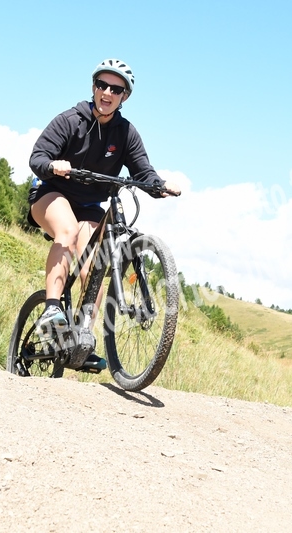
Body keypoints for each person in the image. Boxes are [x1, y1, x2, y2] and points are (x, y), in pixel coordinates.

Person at [27, 58, 181, 373]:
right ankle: (52, 309)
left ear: (125, 96)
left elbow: (142, 170)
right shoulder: (70, 120)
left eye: (116, 89)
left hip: (89, 206)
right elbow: (37, 156)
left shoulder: (125, 133)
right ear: (93, 87)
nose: (107, 92)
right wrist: (53, 165)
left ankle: (81, 338)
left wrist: (159, 185)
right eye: (102, 85)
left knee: (94, 267)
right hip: (51, 193)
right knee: (67, 231)